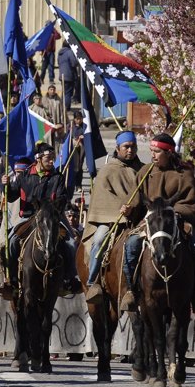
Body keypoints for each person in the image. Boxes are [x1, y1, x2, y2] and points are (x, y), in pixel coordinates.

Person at [126, 133, 195, 313]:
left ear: (169, 152)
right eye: (151, 151)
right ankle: (131, 290)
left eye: (157, 151)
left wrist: (173, 212)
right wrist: (128, 209)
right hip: (151, 223)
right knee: (131, 245)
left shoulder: (184, 174)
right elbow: (135, 200)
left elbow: (192, 204)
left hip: (178, 222)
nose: (153, 155)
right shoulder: (144, 172)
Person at [0, 142, 82, 298]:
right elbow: (11, 196)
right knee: (10, 242)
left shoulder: (57, 177)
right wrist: (7, 186)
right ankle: (11, 280)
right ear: (38, 158)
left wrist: (53, 205)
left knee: (71, 243)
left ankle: (69, 279)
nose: (52, 162)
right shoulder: (24, 175)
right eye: (48, 158)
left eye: (53, 158)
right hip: (28, 218)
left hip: (51, 218)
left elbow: (62, 198)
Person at [83, 130, 142, 308]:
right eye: (126, 147)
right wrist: (119, 210)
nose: (130, 150)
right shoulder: (108, 171)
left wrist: (134, 208)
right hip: (111, 220)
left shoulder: (144, 170)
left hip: (139, 220)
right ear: (118, 148)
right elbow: (102, 199)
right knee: (100, 239)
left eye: (133, 147)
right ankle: (93, 281)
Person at [57, 41, 78, 111]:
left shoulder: (60, 53)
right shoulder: (69, 52)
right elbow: (74, 63)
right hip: (69, 75)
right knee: (68, 93)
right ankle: (66, 108)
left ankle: (62, 106)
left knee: (64, 92)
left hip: (61, 75)